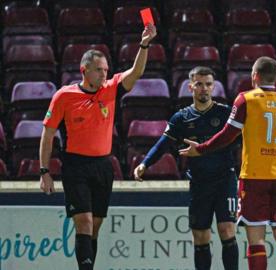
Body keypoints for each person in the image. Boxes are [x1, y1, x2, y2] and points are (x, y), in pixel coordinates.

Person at [39, 23, 157, 270]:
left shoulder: (111, 89)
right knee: (84, 222)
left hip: (104, 165)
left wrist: (144, 44)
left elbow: (136, 72)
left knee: (95, 226)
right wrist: (44, 171)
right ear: (84, 70)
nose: (104, 74)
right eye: (98, 70)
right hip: (75, 165)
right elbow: (48, 134)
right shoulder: (64, 96)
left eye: (105, 70)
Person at [180, 56, 276, 270]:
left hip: (255, 177)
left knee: (256, 240)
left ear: (255, 76)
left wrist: (201, 149)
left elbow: (228, 135)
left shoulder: (246, 99)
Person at [133, 66, 239, 270]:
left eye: (208, 84)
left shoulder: (225, 114)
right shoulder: (181, 118)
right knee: (200, 236)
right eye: (199, 84)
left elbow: (246, 140)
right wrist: (145, 163)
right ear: (190, 87)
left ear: (213, 87)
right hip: (199, 183)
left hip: (225, 180)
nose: (204, 89)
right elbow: (162, 144)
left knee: (227, 230)